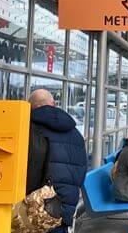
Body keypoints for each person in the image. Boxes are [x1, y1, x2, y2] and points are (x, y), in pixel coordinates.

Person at [29, 89, 87, 233]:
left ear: (30, 107)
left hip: (35, 205)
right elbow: (81, 170)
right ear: (54, 104)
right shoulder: (75, 133)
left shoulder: (28, 128)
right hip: (64, 205)